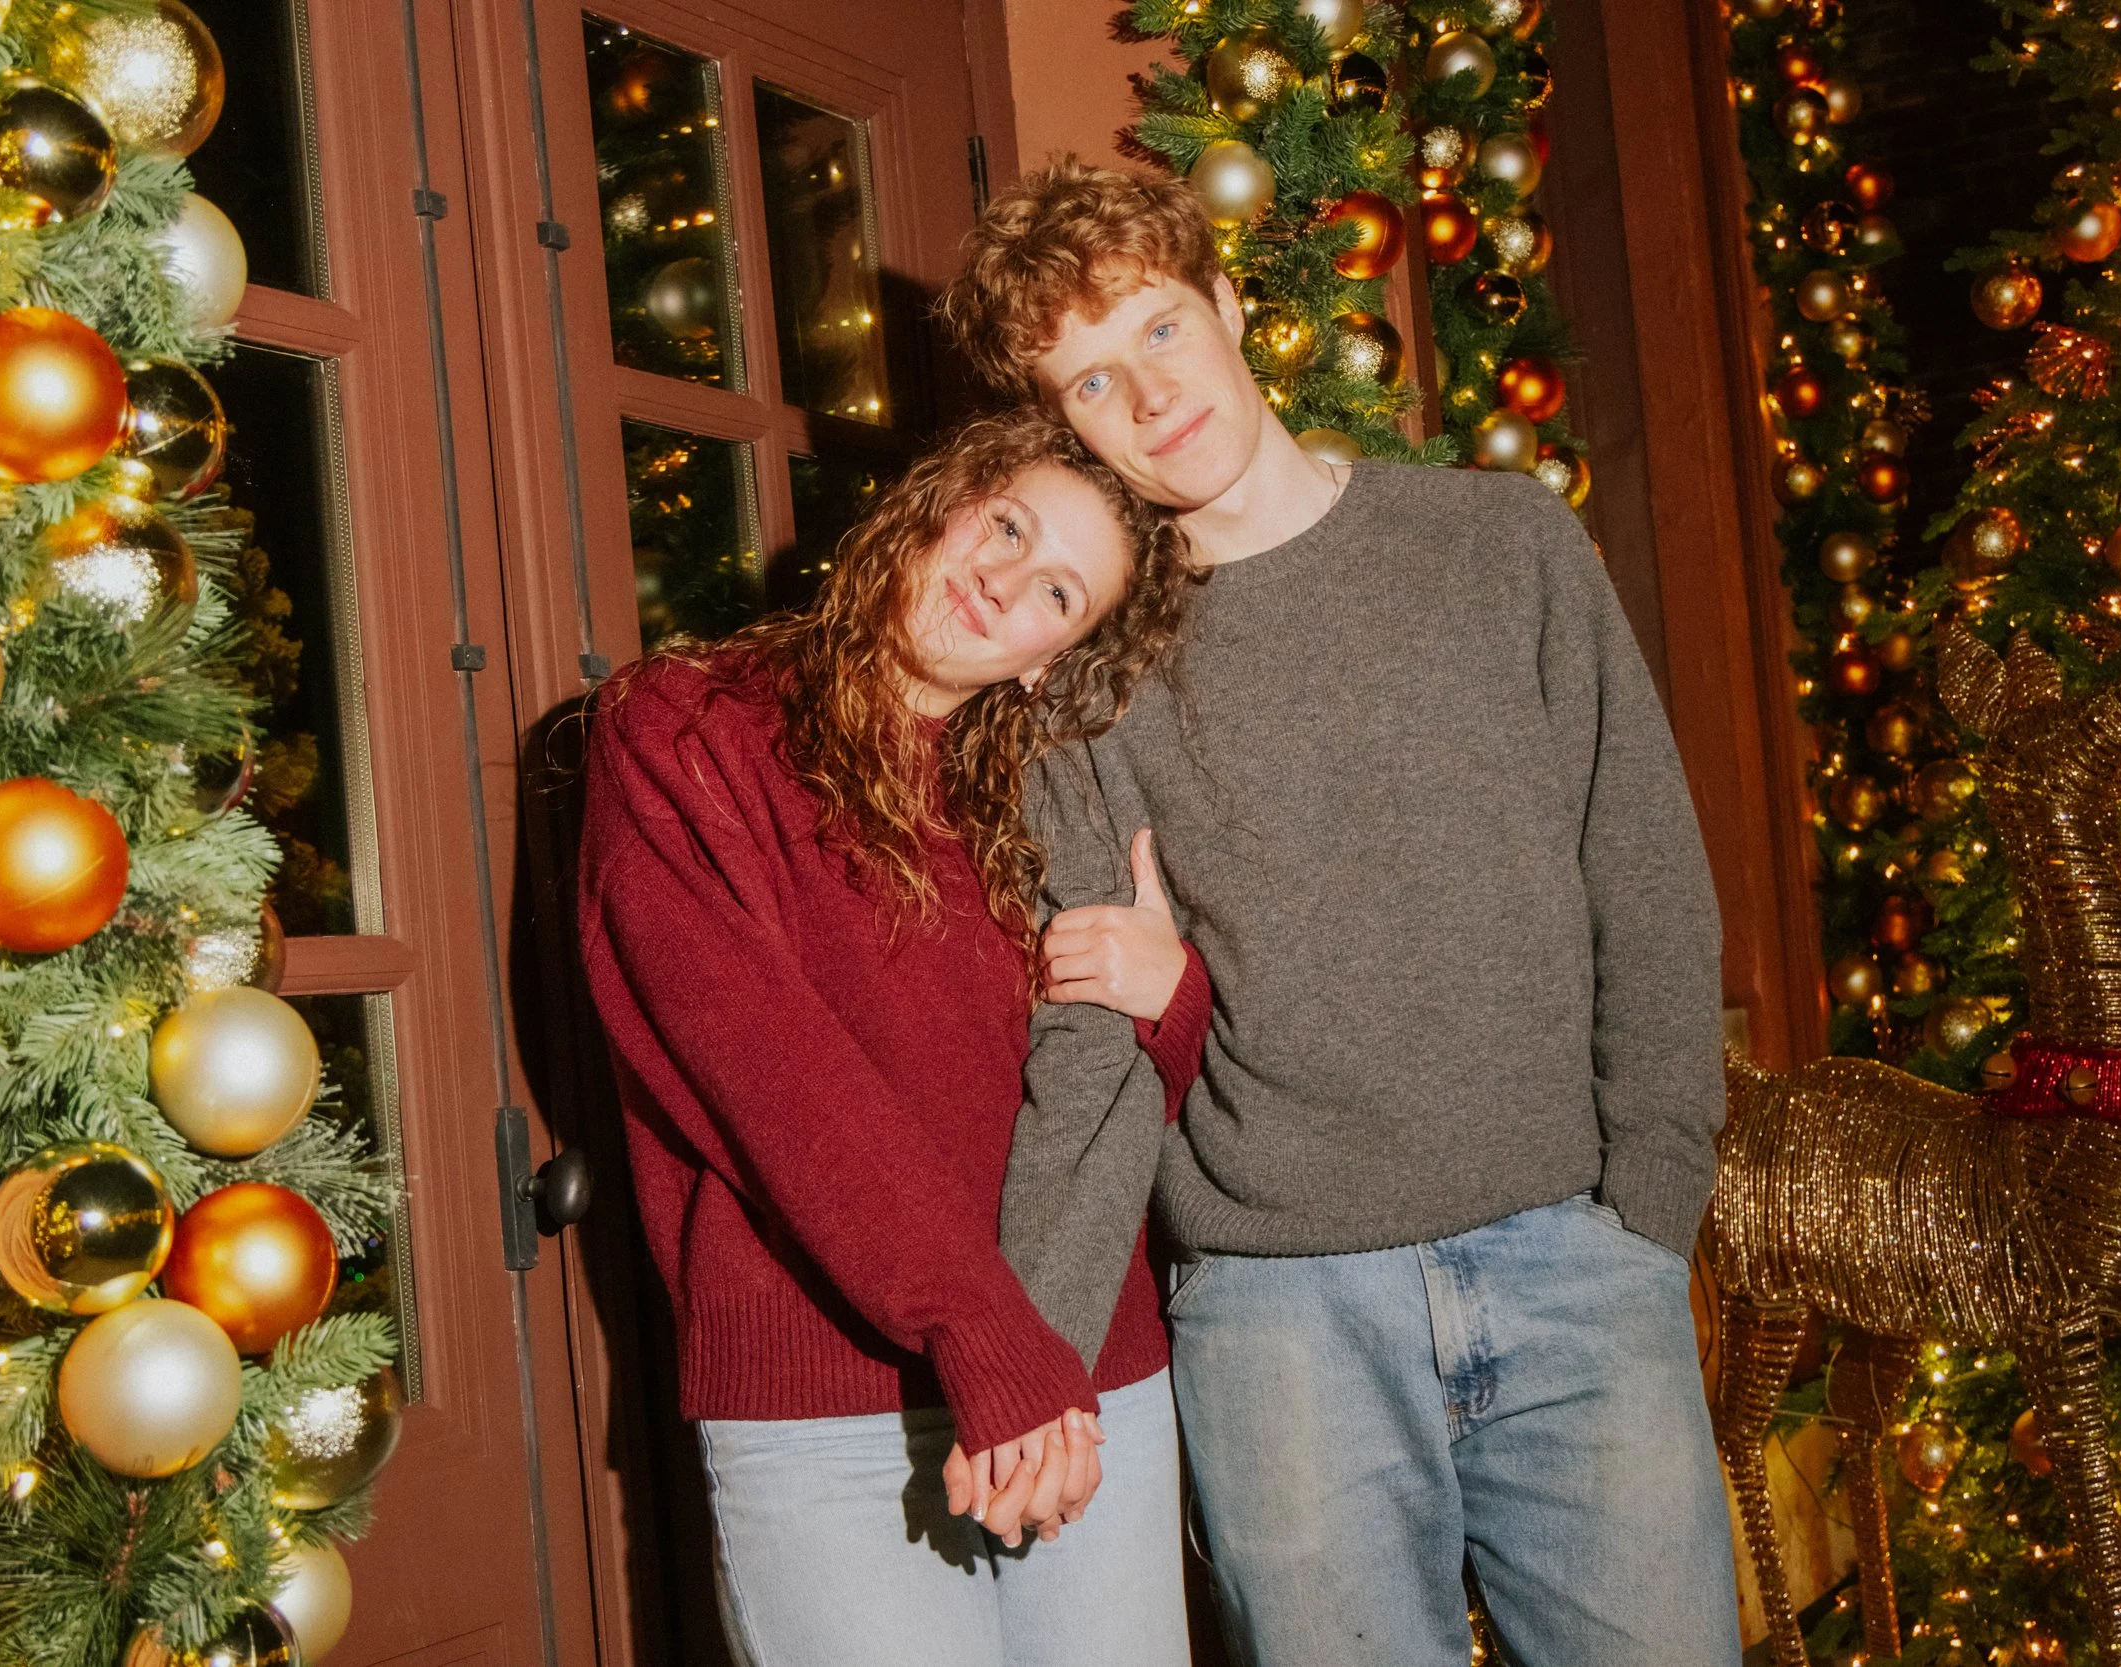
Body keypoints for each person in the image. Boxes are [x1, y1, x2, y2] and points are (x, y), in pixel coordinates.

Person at [941, 160, 1745, 1667]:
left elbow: (1642, 870)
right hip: (1279, 1313)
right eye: (1094, 381)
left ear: (1232, 306)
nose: (1150, 395)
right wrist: (1031, 1343)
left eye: (1163, 331)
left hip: (1579, 1262)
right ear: (1068, 428)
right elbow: (1093, 1035)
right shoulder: (1091, 677)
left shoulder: (1502, 547)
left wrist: (1651, 1206)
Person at [576, 408, 1209, 1667]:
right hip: (833, 1406)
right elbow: (769, 1071)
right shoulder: (687, 729)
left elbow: (1126, 1100)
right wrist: (982, 1334)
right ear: (946, 497)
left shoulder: (1055, 790)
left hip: (1089, 1382)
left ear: (1050, 657)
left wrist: (1170, 995)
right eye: (1009, 523)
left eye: (1055, 591)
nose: (1003, 578)